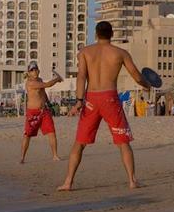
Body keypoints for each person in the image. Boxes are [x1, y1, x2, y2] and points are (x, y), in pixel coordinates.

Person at [58, 21, 150, 191]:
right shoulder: (120, 53)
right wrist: (146, 85)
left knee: (79, 143)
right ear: (112, 34)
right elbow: (136, 75)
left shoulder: (85, 52)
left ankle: (68, 182)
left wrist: (79, 101)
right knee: (123, 142)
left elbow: (81, 77)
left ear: (96, 34)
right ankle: (132, 181)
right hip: (110, 98)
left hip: (91, 99)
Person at [20, 62, 63, 163]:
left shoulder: (39, 80)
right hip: (32, 113)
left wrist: (49, 105)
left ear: (38, 71)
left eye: (35, 69)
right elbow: (47, 85)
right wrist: (57, 79)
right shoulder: (30, 82)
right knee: (27, 135)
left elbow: (43, 93)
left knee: (52, 132)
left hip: (44, 111)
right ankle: (22, 157)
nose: (34, 71)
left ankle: (55, 155)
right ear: (29, 73)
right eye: (32, 70)